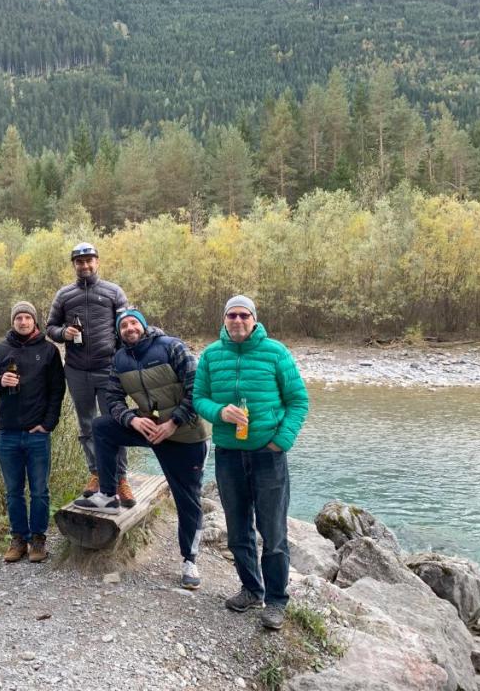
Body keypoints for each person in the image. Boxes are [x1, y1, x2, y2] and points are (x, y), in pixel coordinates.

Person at [193, 295, 309, 630]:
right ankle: (251, 590)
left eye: (244, 315)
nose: (238, 321)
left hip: (267, 455)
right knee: (238, 530)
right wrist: (219, 412)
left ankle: (276, 601)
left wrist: (281, 441)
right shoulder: (211, 355)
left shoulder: (275, 352)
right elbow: (198, 398)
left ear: (254, 319)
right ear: (224, 319)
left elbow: (298, 401)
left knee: (273, 532)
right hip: (229, 455)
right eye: (232, 315)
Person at [74, 308, 210, 590]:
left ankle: (190, 560)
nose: (129, 328)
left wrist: (173, 423)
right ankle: (108, 495)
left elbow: (198, 390)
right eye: (123, 325)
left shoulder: (172, 347)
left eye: (134, 322)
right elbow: (113, 398)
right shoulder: (120, 359)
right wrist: (132, 420)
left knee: (188, 499)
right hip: (150, 427)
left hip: (185, 434)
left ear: (144, 326)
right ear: (119, 332)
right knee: (102, 427)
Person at [46, 242, 133, 505]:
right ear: (74, 265)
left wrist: (122, 362)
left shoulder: (113, 292)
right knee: (86, 425)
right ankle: (96, 473)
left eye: (89, 260)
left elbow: (127, 327)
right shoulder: (64, 295)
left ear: (97, 262)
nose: (84, 265)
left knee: (115, 423)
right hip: (76, 370)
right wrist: (64, 333)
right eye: (79, 262)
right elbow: (50, 327)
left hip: (108, 369)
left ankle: (121, 479)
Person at [0, 301, 67, 563]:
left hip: (37, 433)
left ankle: (38, 539)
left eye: (27, 317)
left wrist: (48, 423)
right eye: (18, 318)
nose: (22, 321)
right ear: (13, 321)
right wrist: (0, 381)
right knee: (13, 491)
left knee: (39, 490)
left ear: (34, 321)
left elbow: (57, 390)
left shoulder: (49, 350)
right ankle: (19, 538)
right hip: (7, 432)